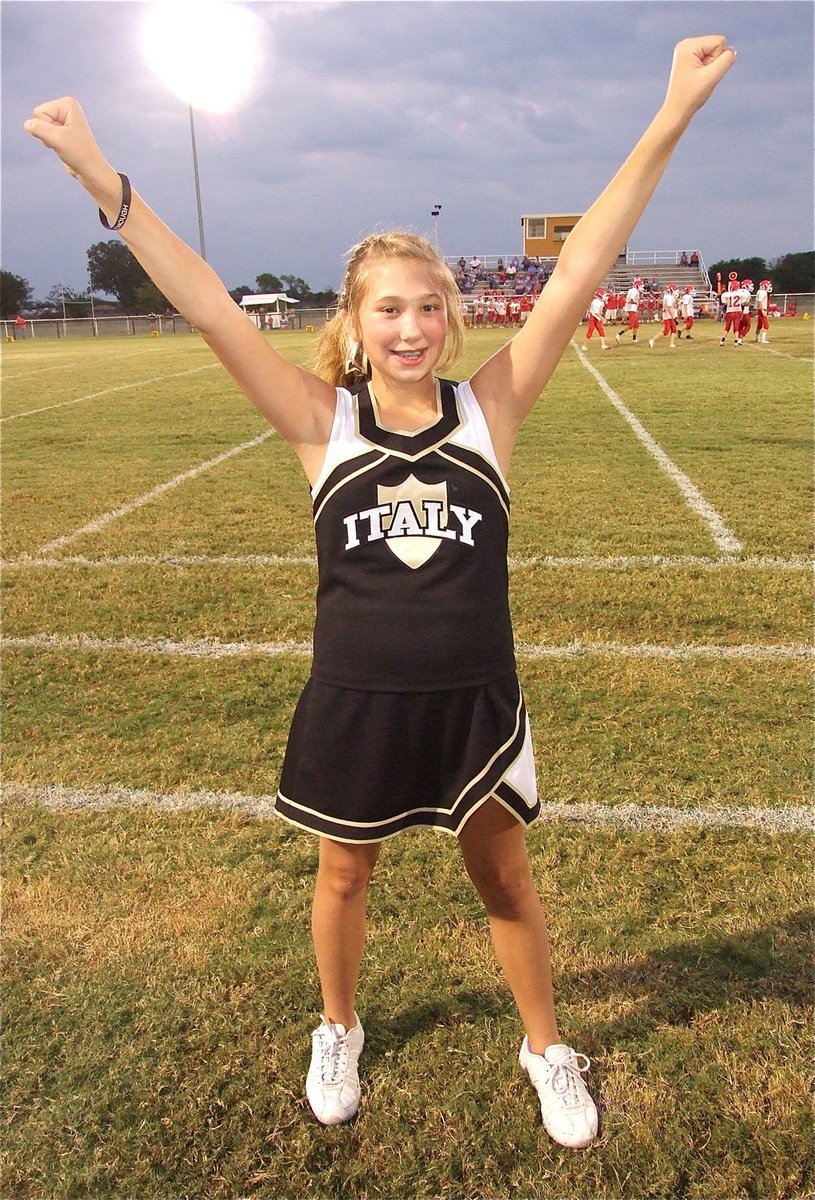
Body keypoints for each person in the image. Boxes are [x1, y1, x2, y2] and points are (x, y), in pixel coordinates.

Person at [24, 34, 735, 1151]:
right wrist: (97, 175)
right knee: (342, 878)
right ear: (352, 326)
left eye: (427, 308)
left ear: (451, 318)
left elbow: (584, 266)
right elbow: (209, 304)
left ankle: (544, 1046)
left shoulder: (487, 415)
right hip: (353, 698)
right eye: (386, 311)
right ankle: (339, 1025)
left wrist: (670, 112)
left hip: (474, 703)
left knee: (504, 879)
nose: (409, 328)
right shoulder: (324, 427)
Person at [648, 283, 679, 349]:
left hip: (668, 315)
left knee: (674, 329)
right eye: (675, 289)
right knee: (666, 331)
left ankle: (672, 343)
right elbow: (669, 308)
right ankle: (652, 340)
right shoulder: (669, 297)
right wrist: (674, 317)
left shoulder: (667, 296)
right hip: (668, 316)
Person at [615, 277, 643, 343]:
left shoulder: (632, 290)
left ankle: (634, 339)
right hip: (631, 309)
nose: (641, 287)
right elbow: (631, 300)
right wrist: (637, 302)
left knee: (636, 325)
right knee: (631, 325)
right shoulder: (635, 291)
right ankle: (619, 334)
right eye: (640, 285)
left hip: (631, 308)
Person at [754, 279, 772, 343]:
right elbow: (760, 301)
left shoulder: (760, 291)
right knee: (766, 325)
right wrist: (762, 310)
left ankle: (756, 338)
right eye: (768, 285)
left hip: (759, 309)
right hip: (761, 309)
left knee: (759, 324)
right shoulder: (763, 292)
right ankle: (763, 339)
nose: (769, 287)